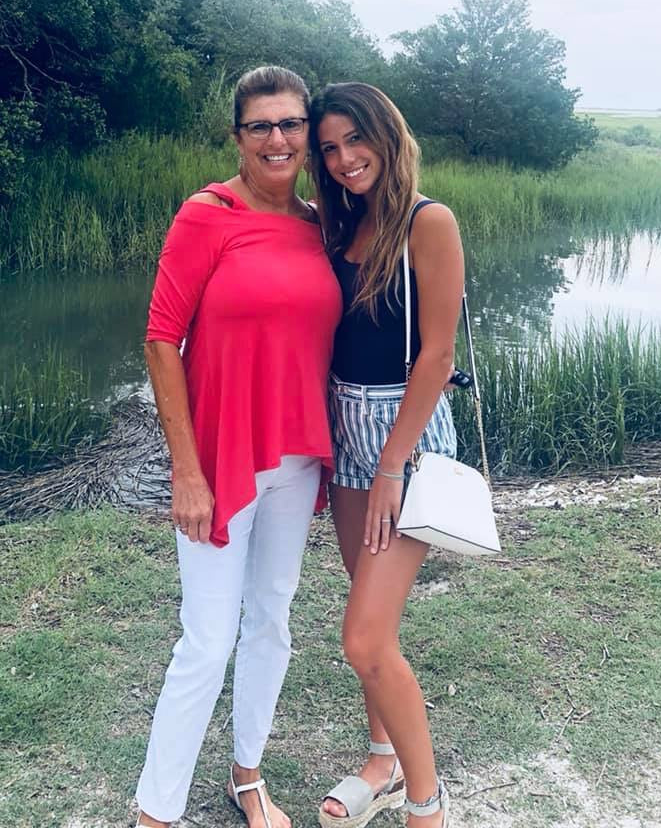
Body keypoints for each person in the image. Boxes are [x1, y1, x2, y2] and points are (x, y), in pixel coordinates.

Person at [134, 66, 342, 828]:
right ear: (239, 137)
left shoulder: (324, 224)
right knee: (207, 637)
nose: (279, 139)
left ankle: (246, 777)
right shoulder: (207, 215)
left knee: (274, 618)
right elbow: (161, 340)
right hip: (221, 460)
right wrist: (184, 472)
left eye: (292, 124)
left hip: (298, 456)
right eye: (262, 126)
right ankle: (155, 812)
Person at [308, 82, 464, 828]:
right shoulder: (340, 225)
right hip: (345, 426)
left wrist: (392, 466)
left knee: (365, 638)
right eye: (330, 148)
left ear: (386, 134)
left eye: (354, 140)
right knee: (367, 613)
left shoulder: (428, 223)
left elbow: (436, 357)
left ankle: (427, 806)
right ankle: (382, 761)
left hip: (405, 435)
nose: (343, 159)